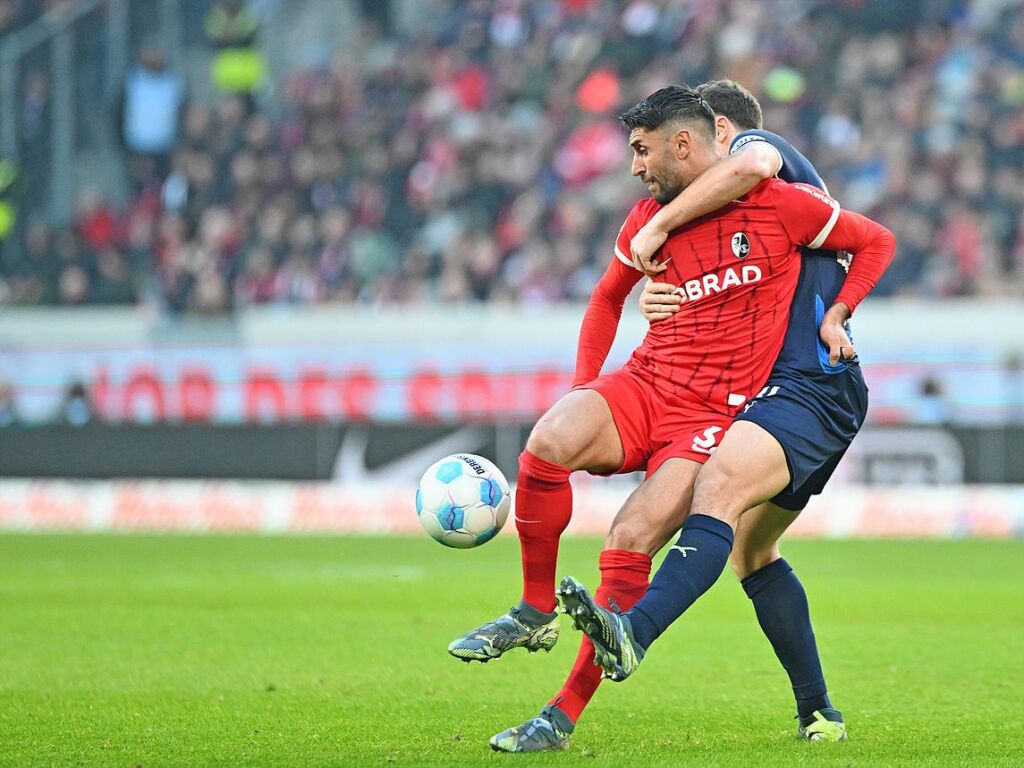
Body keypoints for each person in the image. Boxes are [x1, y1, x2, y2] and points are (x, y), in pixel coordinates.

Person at [444, 84, 895, 748]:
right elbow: (606, 299)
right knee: (554, 442)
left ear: (699, 137)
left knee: (639, 537)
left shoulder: (764, 172)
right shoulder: (648, 217)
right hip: (655, 384)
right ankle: (537, 610)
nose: (634, 166)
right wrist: (584, 387)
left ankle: (561, 714)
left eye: (641, 150)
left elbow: (859, 229)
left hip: (764, 400)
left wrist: (836, 312)